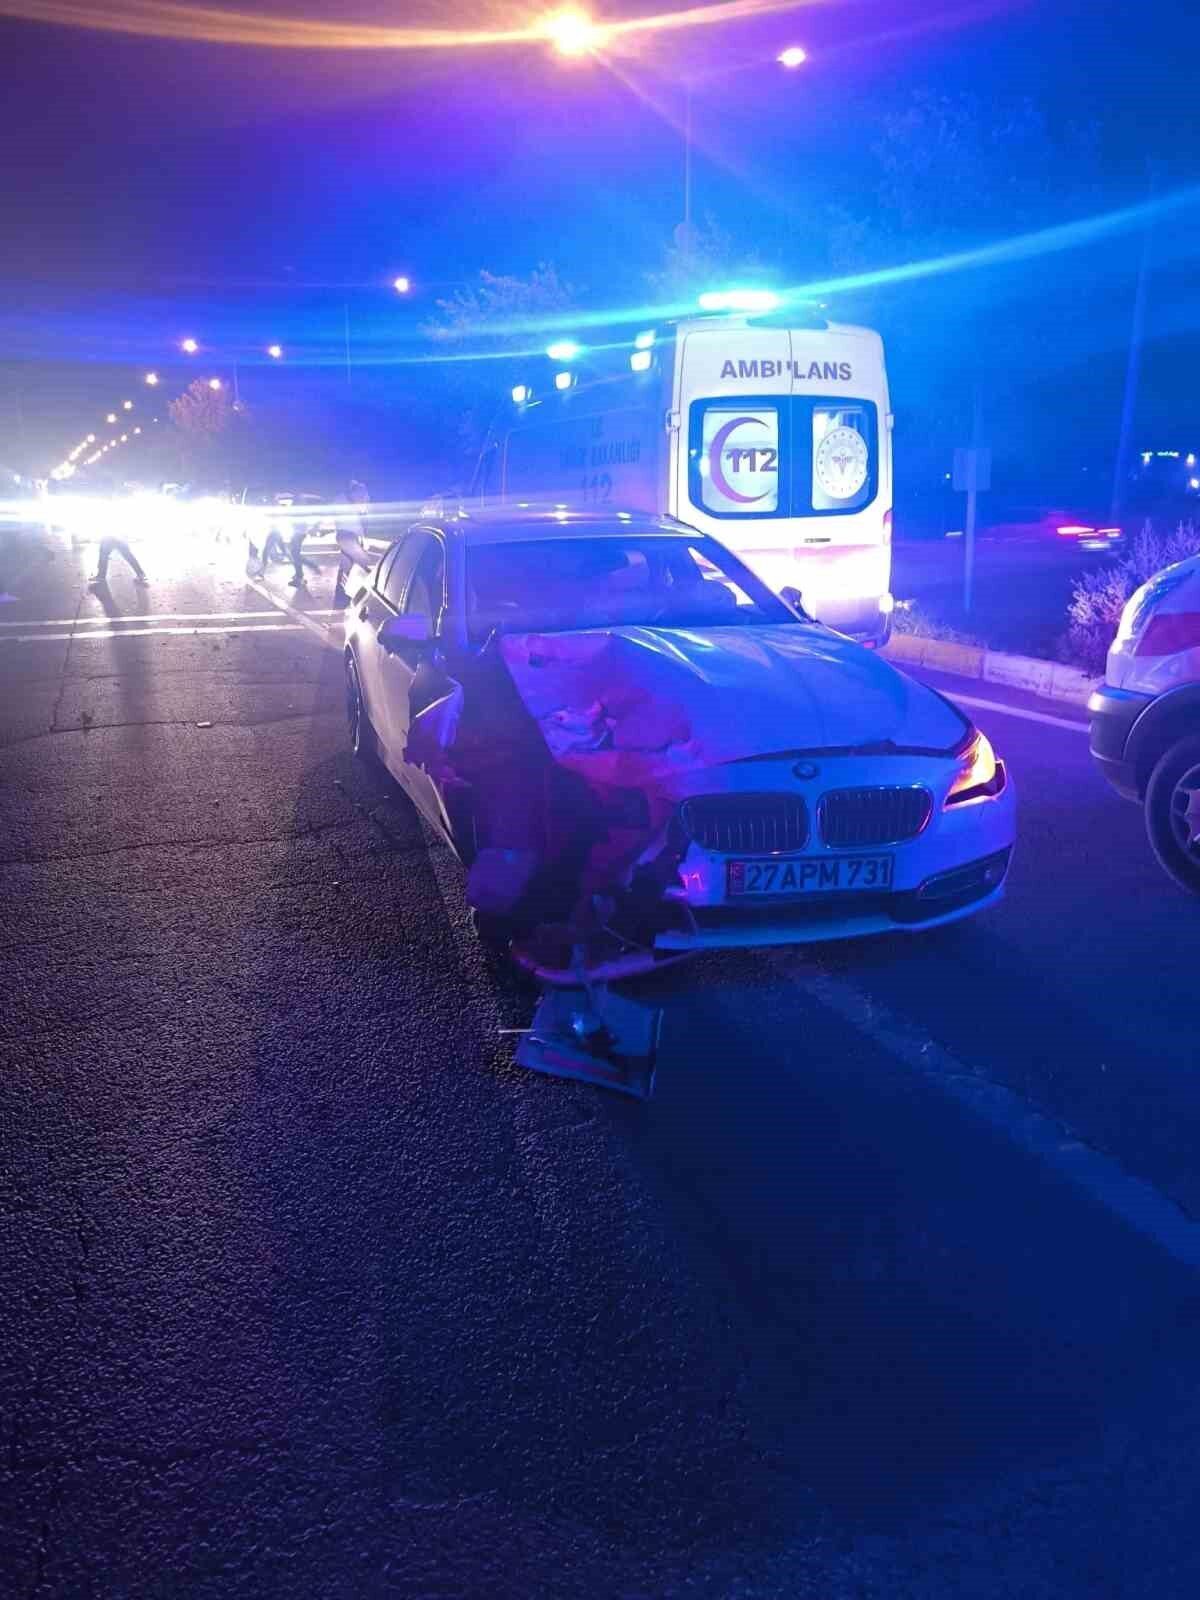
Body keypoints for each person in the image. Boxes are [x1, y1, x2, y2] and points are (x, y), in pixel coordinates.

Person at [334, 478, 373, 607]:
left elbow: (358, 520)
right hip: (347, 537)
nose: (362, 496)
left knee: (346, 569)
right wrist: (363, 499)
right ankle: (369, 597)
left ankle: (341, 600)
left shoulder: (341, 499)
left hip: (347, 536)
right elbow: (362, 511)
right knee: (365, 562)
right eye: (359, 492)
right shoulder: (347, 500)